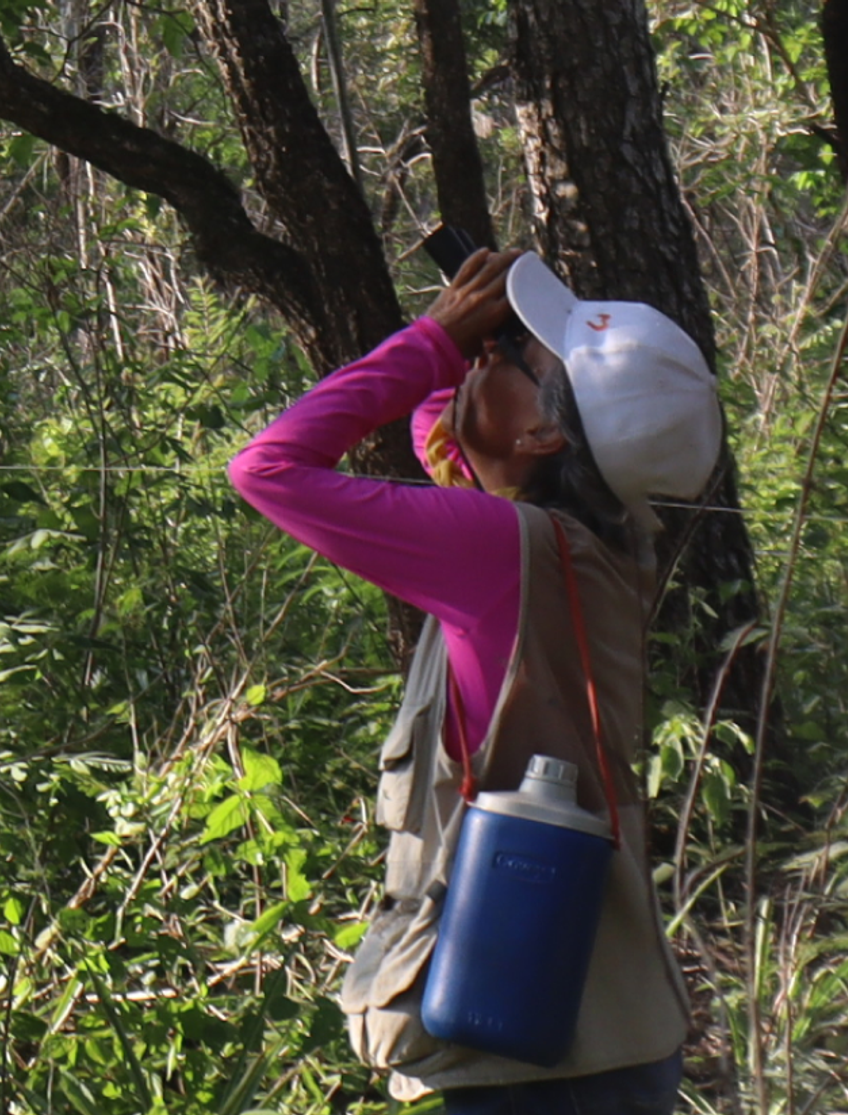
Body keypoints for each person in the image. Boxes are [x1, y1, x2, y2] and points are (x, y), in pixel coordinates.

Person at [230, 247, 718, 1112]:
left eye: (515, 356)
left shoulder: (496, 551)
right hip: (609, 1031)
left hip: (534, 1059)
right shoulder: (600, 536)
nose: (488, 355)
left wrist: (435, 338)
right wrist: (478, 344)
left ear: (543, 435)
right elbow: (442, 432)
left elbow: (265, 468)